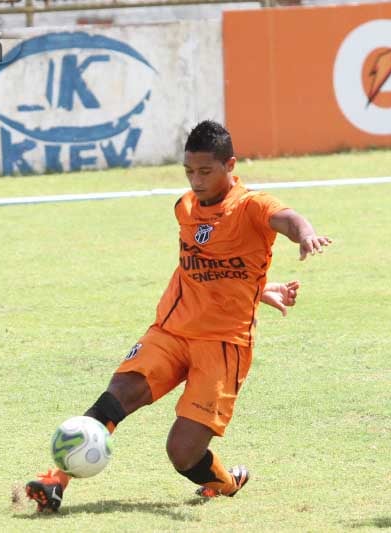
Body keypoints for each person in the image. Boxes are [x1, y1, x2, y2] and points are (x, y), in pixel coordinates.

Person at [23, 120, 331, 512]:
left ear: (230, 165)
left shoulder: (251, 205)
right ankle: (55, 482)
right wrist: (260, 288)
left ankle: (225, 481)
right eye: (189, 171)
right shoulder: (184, 207)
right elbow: (210, 264)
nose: (196, 180)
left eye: (205, 171)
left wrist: (304, 234)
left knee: (182, 453)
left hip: (223, 346)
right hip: (171, 330)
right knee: (117, 396)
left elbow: (287, 218)